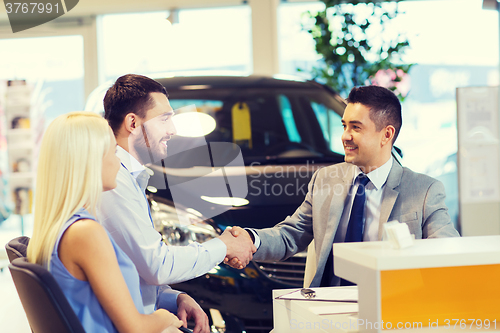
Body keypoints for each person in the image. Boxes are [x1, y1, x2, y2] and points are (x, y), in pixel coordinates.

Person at [229, 85, 460, 287]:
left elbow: (447, 250)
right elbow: (292, 234)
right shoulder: (325, 179)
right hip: (327, 307)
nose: (345, 136)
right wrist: (251, 240)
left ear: (386, 135)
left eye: (356, 128)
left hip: (389, 307)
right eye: (344, 126)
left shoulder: (425, 190)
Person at [97, 74, 256, 333]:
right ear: (133, 123)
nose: (173, 130)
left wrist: (173, 298)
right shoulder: (113, 182)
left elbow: (135, 269)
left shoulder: (131, 177)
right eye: (165, 119)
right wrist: (224, 245)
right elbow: (155, 265)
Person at [26, 112, 183, 332]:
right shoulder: (85, 233)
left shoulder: (65, 226)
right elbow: (134, 328)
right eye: (112, 151)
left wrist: (172, 299)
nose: (118, 161)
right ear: (89, 161)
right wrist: (165, 318)